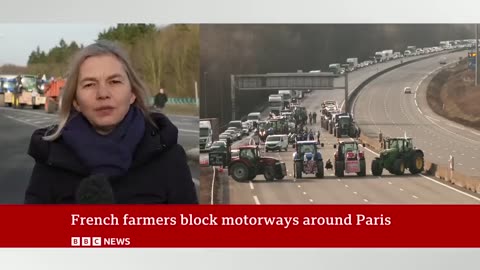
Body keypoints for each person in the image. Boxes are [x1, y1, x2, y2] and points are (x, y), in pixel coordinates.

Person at [24, 40, 198, 204]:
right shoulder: (52, 158)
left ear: (132, 94)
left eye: (114, 82)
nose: (103, 93)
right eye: (89, 84)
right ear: (75, 101)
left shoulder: (167, 156)